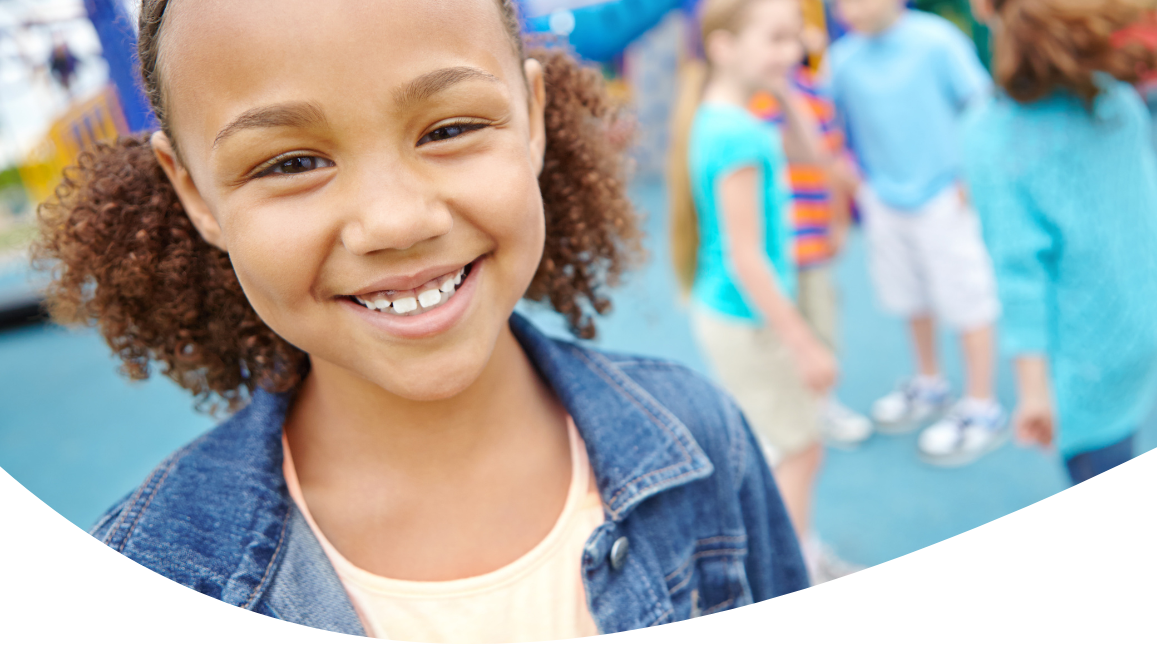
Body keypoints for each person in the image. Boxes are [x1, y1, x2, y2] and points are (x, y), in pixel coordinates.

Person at [32, 0, 808, 642]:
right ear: (196, 194)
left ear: (532, 119)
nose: (396, 221)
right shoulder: (146, 583)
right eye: (291, 162)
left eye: (448, 129)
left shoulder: (704, 434)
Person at [964, 0, 1157, 485]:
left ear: (984, 8)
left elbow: (1019, 271)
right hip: (1152, 319)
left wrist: (1033, 391)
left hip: (1087, 362)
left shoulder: (994, 138)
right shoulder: (1115, 100)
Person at [668, 0, 850, 583]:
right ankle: (792, 575)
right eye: (775, 39)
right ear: (724, 49)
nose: (792, 52)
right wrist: (803, 344)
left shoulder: (728, 117)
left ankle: (800, 553)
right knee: (801, 448)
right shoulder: (739, 134)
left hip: (733, 317)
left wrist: (786, 86)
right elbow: (747, 258)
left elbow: (811, 156)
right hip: (750, 321)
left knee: (783, 443)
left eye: (795, 39)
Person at [820, 0, 1006, 466]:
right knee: (909, 295)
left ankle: (982, 406)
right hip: (883, 197)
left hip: (944, 194)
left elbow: (980, 104)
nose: (847, 8)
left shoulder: (937, 41)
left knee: (967, 298)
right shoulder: (842, 59)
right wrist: (856, 182)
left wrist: (968, 175)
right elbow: (829, 122)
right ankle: (929, 383)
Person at [748, 33, 874, 451]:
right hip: (772, 243)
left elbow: (832, 159)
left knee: (822, 321)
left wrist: (839, 220)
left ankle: (823, 403)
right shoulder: (751, 99)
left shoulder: (815, 93)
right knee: (774, 328)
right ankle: (777, 413)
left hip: (813, 237)